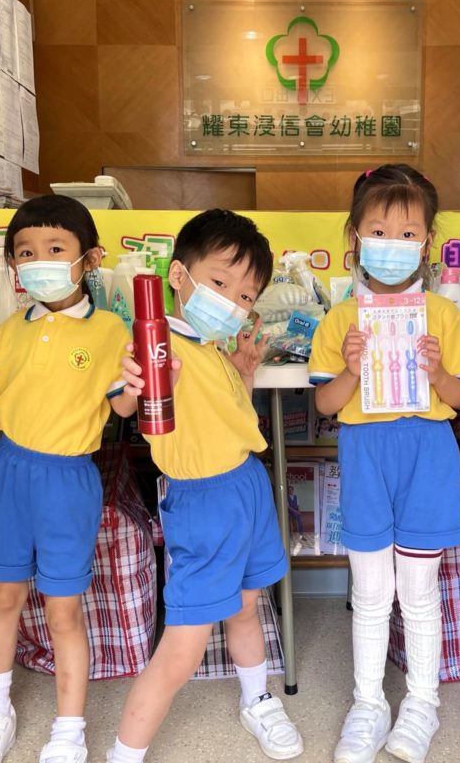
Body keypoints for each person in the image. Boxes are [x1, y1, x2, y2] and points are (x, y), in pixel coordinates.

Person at [110, 209, 303, 763]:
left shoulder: (212, 345)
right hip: (201, 500)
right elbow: (129, 404)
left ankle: (257, 698)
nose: (231, 302)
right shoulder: (157, 345)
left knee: (247, 605)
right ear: (178, 275)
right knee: (183, 645)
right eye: (219, 282)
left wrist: (244, 372)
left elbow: (225, 417)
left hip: (247, 487)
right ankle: (125, 752)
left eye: (245, 295)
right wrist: (137, 385)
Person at [0, 195, 136, 763]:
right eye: (26, 252)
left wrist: (144, 378)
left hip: (68, 482)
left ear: (90, 259)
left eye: (56, 248)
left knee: (63, 609)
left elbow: (124, 409)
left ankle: (69, 728)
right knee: (3, 596)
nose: (40, 262)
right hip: (8, 472)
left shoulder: (110, 330)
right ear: (13, 265)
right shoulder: (12, 329)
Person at [308, 164, 460, 763]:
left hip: (428, 455)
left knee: (419, 591)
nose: (393, 244)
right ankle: (368, 703)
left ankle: (422, 703)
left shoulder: (445, 315)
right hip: (365, 456)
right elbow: (325, 404)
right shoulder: (339, 320)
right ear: (355, 237)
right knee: (372, 591)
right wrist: (351, 368)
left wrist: (439, 372)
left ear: (427, 242)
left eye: (408, 233)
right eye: (379, 231)